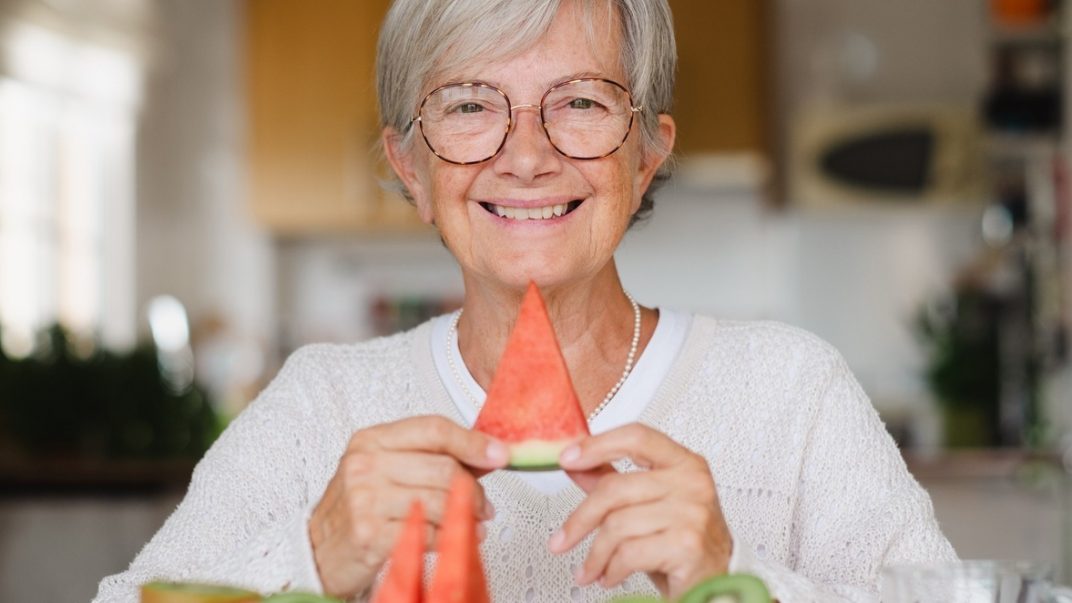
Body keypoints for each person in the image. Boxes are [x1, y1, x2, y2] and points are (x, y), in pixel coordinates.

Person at [94, 1, 957, 601]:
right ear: (410, 167)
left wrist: (738, 578)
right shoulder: (321, 405)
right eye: (471, 106)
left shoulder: (790, 390)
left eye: (580, 102)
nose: (527, 155)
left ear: (648, 155)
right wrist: (310, 557)